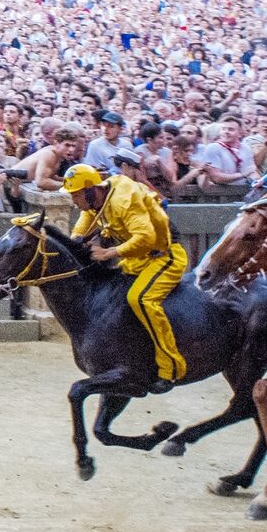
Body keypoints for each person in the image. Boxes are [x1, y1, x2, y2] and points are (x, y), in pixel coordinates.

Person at [64, 163, 187, 390]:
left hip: (164, 256)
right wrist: (74, 240)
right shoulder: (97, 201)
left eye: (76, 195)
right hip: (135, 260)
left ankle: (170, 367)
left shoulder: (122, 200)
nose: (73, 201)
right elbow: (86, 219)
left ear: (91, 190)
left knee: (140, 299)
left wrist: (108, 253)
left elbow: (146, 237)